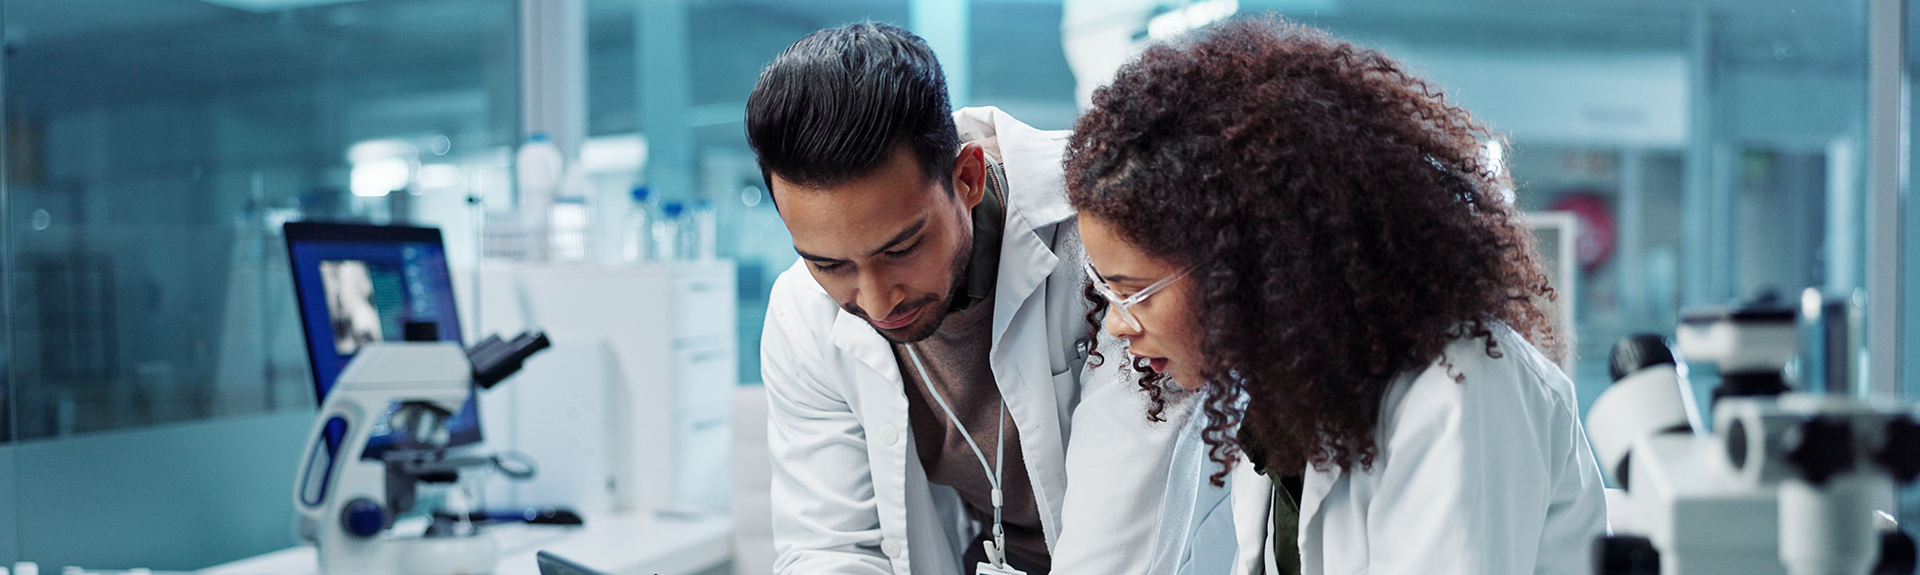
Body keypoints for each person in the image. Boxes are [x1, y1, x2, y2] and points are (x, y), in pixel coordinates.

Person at [1064, 18, 1609, 575]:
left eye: (1135, 292)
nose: (1117, 324)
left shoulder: (1460, 389)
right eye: (1104, 290)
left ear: (1244, 265)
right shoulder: (1292, 398)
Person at [748, 22, 1230, 575]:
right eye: (830, 264)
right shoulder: (801, 312)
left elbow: (1123, 545)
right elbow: (831, 546)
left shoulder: (1107, 233)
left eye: (902, 248)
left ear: (968, 178)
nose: (878, 302)